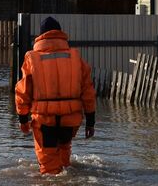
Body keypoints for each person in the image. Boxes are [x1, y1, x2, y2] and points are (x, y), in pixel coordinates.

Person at [13, 17, 96, 175]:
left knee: (49, 169)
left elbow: (23, 91)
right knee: (64, 157)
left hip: (45, 120)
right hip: (70, 120)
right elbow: (88, 91)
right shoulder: (75, 57)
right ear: (60, 34)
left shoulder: (32, 58)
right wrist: (90, 122)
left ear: (41, 35)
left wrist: (23, 120)